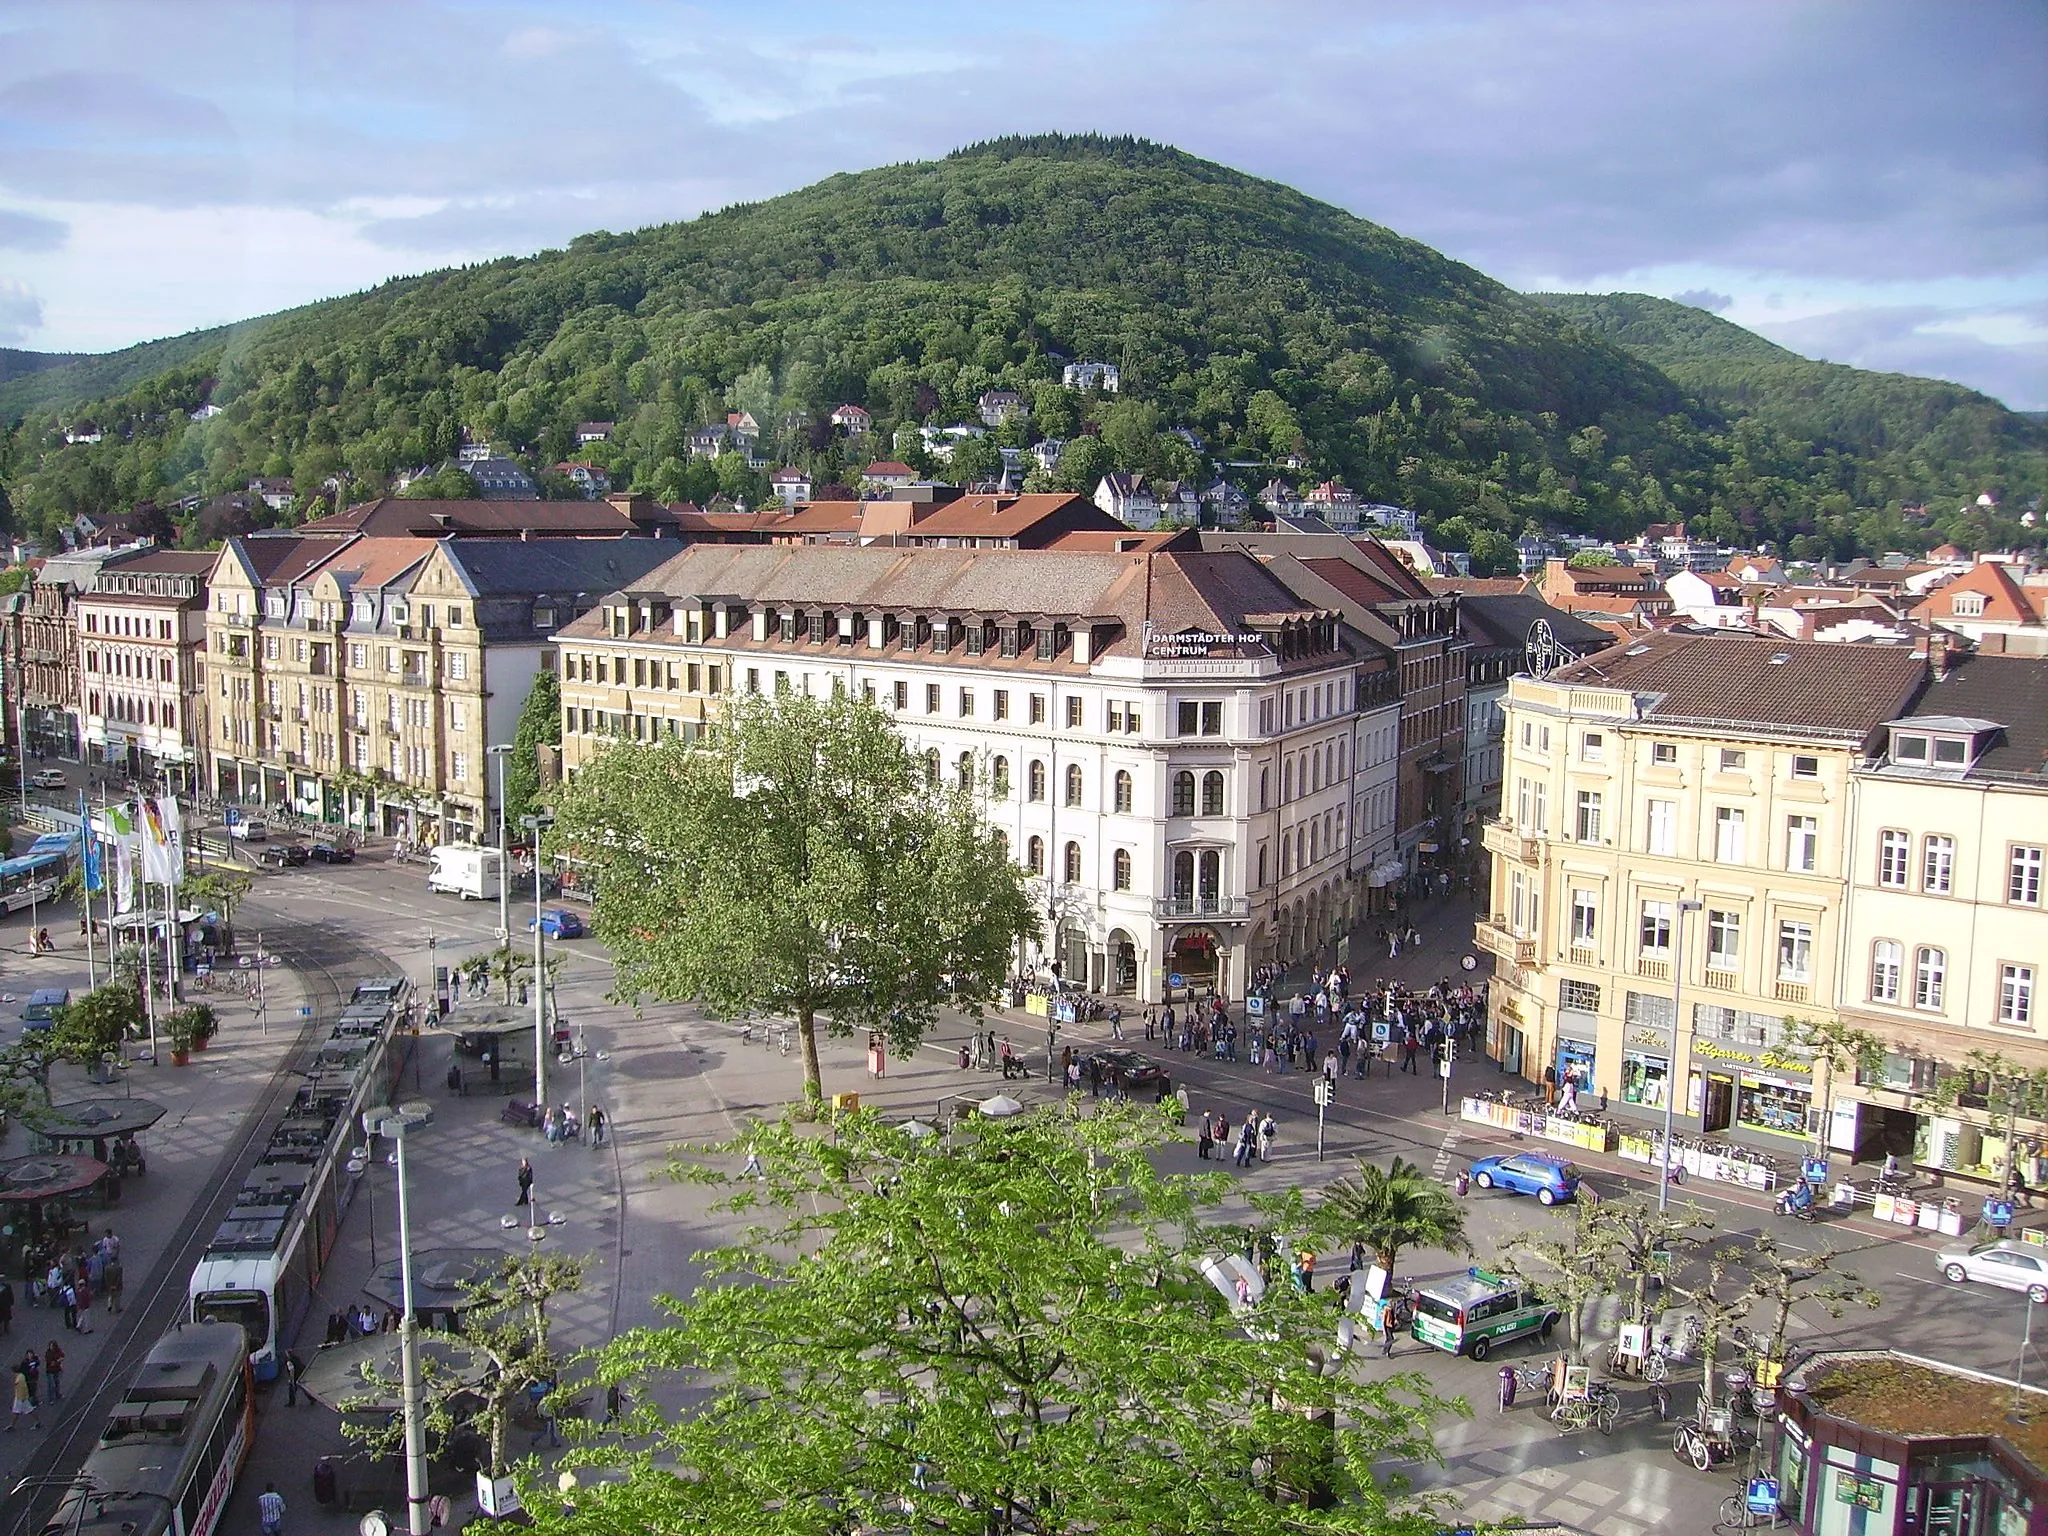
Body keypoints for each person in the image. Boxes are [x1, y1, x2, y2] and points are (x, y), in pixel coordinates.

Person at [7, 1363, 38, 1432]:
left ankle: (12, 1425)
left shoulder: (19, 1378)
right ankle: (12, 1425)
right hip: (20, 1397)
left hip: (20, 1398)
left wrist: (23, 1397)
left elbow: (22, 1388)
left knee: (25, 1410)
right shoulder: (21, 1376)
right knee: (20, 1411)